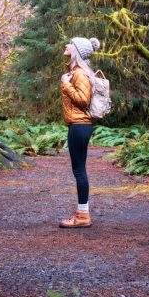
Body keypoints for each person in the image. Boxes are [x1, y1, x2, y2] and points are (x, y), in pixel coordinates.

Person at [59, 36, 100, 228]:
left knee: (79, 170)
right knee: (79, 170)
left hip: (79, 125)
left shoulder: (79, 74)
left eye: (70, 43)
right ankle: (82, 212)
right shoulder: (75, 72)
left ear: (75, 50)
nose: (66, 45)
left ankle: (83, 216)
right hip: (78, 125)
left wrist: (65, 85)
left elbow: (83, 100)